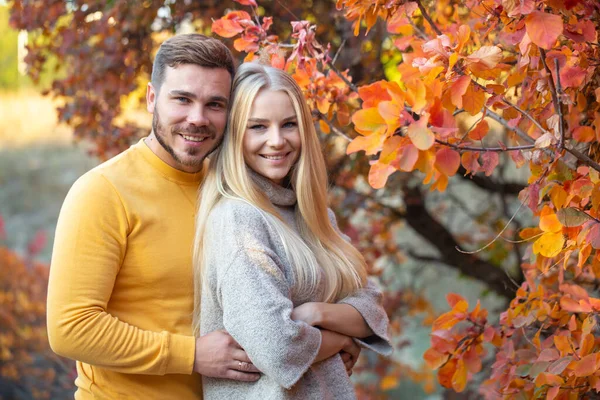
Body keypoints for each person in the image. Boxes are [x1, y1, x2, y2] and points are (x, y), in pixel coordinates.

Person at [47, 34, 262, 399]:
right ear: (151, 98)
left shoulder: (232, 190)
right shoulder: (103, 192)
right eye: (182, 99)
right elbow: (71, 328)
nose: (197, 118)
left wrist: (330, 345)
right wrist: (192, 355)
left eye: (214, 104)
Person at [194, 62, 392, 399]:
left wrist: (318, 313)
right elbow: (278, 346)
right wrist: (343, 338)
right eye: (257, 126)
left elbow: (372, 305)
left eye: (289, 124)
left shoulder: (314, 216)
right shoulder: (238, 219)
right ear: (234, 136)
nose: (277, 141)